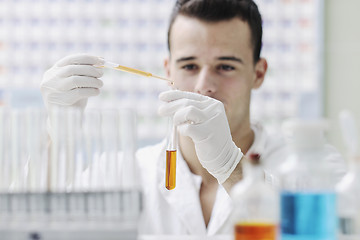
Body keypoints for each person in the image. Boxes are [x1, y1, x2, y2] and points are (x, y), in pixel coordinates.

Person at [40, 0, 346, 236]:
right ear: (167, 70)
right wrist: (56, 131)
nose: (204, 86)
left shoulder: (313, 169)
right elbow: (42, 225)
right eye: (188, 66)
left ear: (259, 72)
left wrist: (231, 168)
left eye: (225, 66)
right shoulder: (121, 172)